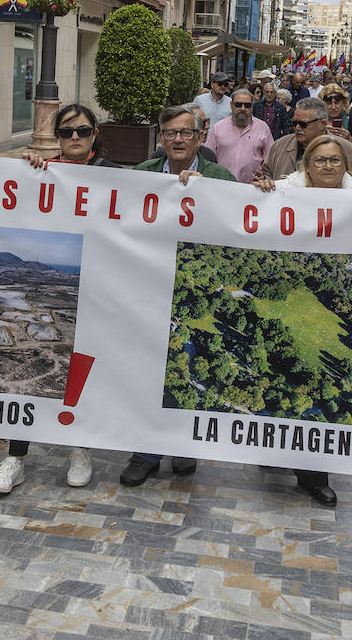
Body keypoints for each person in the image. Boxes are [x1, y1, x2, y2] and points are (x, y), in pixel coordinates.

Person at [0, 104, 113, 495]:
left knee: (79, 372)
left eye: (82, 131)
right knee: (28, 370)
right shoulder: (41, 172)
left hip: (97, 288)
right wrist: (23, 171)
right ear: (56, 137)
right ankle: (15, 458)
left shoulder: (115, 175)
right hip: (50, 283)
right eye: (66, 132)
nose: (74, 138)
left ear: (95, 134)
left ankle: (79, 449)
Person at [124, 105, 236, 487]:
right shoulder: (141, 175)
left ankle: (184, 444)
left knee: (185, 368)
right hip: (148, 285)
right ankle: (145, 451)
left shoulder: (219, 176)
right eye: (170, 132)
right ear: (160, 137)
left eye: (186, 133)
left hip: (196, 290)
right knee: (148, 371)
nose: (177, 139)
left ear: (200, 138)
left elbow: (238, 225)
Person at [261, 97, 352, 183]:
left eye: (303, 124)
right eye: (294, 123)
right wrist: (263, 182)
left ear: (322, 124)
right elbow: (266, 174)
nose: (297, 128)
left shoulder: (347, 149)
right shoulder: (280, 145)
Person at [208, 88, 275, 183]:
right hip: (221, 185)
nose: (243, 109)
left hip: (252, 188)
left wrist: (264, 176)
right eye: (238, 104)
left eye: (247, 105)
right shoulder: (218, 127)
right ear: (231, 105)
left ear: (252, 107)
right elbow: (208, 157)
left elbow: (270, 159)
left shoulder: (262, 127)